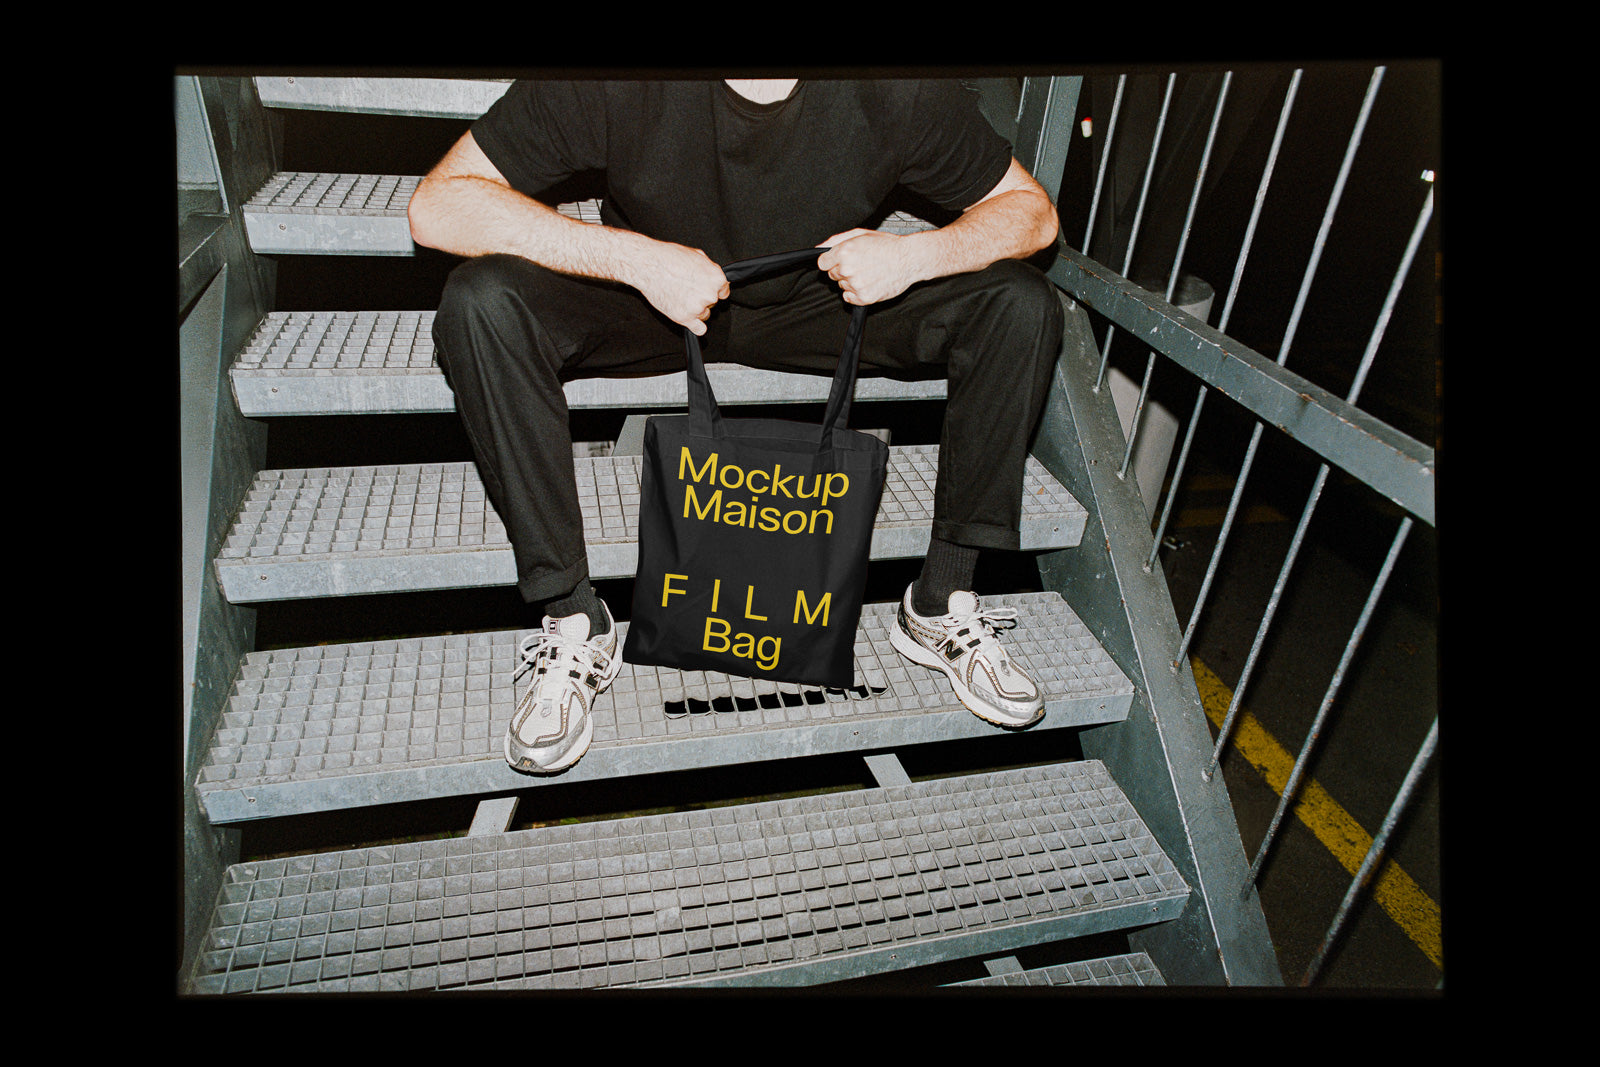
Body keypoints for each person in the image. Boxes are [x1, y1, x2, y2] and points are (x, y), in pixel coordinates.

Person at [408, 77, 1065, 775]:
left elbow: (1031, 215)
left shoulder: (895, 88)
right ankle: (574, 617)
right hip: (652, 295)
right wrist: (635, 259)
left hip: (817, 297)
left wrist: (912, 256)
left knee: (1021, 303)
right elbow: (438, 205)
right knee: (479, 302)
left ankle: (941, 597)